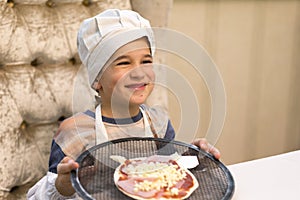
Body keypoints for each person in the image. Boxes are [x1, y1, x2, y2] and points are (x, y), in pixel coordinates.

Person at [27, 9, 221, 199]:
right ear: (97, 79)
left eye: (146, 61)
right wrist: (63, 186)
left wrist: (196, 158)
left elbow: (171, 173)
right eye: (124, 63)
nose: (138, 73)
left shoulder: (159, 123)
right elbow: (48, 194)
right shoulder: (73, 133)